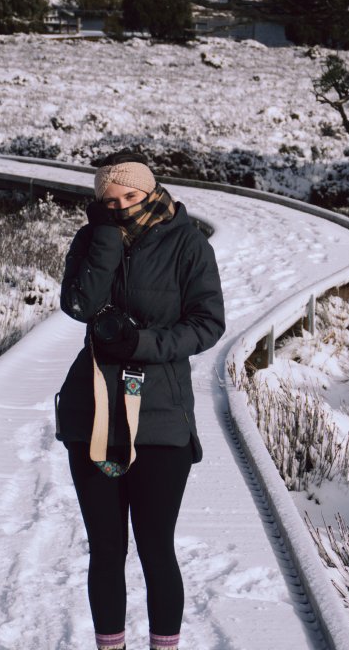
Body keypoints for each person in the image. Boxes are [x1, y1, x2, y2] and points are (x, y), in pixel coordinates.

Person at [55, 150, 226, 650]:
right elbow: (79, 305)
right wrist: (105, 239)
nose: (122, 207)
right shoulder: (90, 240)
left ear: (150, 192)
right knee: (106, 550)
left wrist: (142, 345)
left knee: (155, 549)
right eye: (110, 201)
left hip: (161, 421)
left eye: (130, 196)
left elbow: (208, 324)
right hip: (93, 417)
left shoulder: (189, 245)